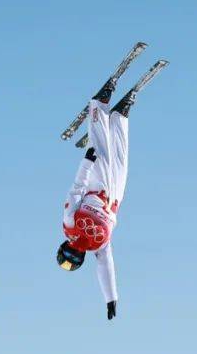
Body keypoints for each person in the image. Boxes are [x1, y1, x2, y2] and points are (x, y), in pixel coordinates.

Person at [56, 80, 137, 320]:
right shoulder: (97, 247)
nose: (73, 255)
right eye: (74, 260)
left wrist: (86, 163)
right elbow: (106, 267)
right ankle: (120, 119)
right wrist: (111, 298)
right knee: (121, 161)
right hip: (114, 199)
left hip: (96, 186)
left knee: (100, 149)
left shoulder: (69, 223)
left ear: (63, 248)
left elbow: (76, 189)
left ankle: (98, 106)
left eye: (67, 256)